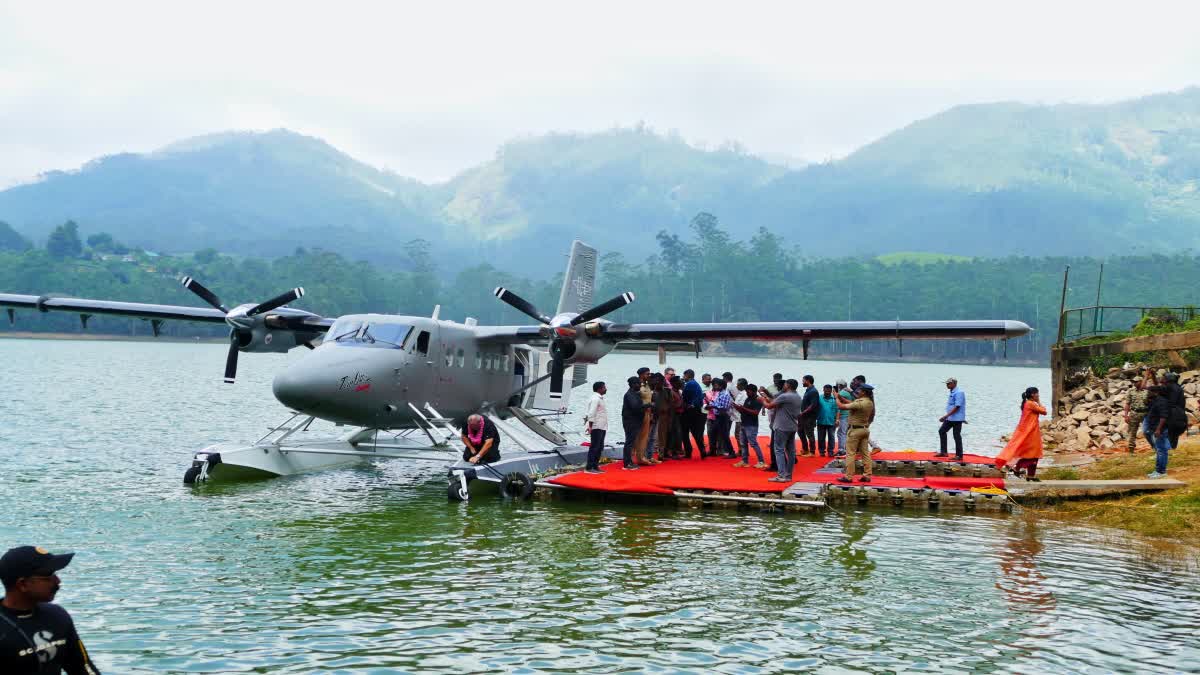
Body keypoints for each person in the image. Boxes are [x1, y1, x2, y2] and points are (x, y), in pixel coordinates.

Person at [1, 545, 101, 674]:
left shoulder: (57, 616)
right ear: (23, 584)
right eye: (48, 576)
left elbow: (83, 668)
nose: (57, 581)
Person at [994, 387, 1047, 480]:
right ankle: (1017, 468)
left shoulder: (1027, 403)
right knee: (1033, 454)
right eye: (1037, 394)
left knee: (1032, 453)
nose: (1038, 395)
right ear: (1032, 395)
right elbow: (1044, 411)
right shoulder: (1031, 404)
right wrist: (1039, 401)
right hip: (1030, 432)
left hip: (1031, 431)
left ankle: (1029, 474)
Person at [759, 379, 804, 482]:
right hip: (792, 426)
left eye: (785, 384)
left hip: (782, 426)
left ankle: (781, 475)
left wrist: (762, 400)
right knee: (791, 451)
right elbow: (776, 402)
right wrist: (767, 397)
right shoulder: (797, 396)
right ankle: (788, 475)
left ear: (787, 385)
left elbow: (769, 406)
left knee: (779, 450)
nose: (783, 385)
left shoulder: (785, 396)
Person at [836, 384, 875, 483]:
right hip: (865, 430)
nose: (858, 392)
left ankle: (848, 476)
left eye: (860, 391)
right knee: (865, 453)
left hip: (855, 431)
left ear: (864, 392)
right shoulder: (869, 402)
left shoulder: (860, 402)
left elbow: (842, 406)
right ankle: (867, 475)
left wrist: (836, 398)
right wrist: (841, 397)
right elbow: (852, 404)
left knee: (850, 453)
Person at [733, 383, 766, 467]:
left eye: (749, 392)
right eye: (747, 391)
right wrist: (737, 407)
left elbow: (755, 412)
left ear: (754, 391)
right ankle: (745, 461)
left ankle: (761, 461)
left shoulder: (758, 400)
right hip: (744, 423)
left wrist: (743, 408)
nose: (747, 393)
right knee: (743, 443)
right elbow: (744, 411)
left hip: (751, 425)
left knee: (753, 443)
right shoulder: (748, 399)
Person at [1146, 386, 1173, 478]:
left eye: (1149, 391)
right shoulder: (1155, 400)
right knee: (1160, 450)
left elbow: (1163, 417)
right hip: (1155, 429)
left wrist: (1158, 429)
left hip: (1159, 430)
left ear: (1155, 392)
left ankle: (1161, 472)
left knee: (1161, 451)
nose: (1147, 393)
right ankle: (1158, 470)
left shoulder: (1161, 402)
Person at [620, 376, 647, 470]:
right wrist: (647, 405)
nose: (640, 385)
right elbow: (635, 407)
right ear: (633, 384)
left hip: (634, 421)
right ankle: (627, 463)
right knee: (629, 442)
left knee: (631, 442)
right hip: (631, 421)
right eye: (638, 384)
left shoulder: (635, 393)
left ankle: (629, 461)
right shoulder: (630, 394)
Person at [938, 377, 966, 459]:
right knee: (942, 431)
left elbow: (957, 406)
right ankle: (944, 452)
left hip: (957, 418)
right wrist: (948, 416)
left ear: (954, 383)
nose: (947, 385)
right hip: (951, 418)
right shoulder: (952, 392)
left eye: (949, 383)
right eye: (947, 383)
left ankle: (959, 455)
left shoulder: (959, 392)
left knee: (956, 435)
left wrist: (945, 416)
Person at [583, 381, 608, 474]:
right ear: (599, 389)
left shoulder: (600, 398)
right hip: (596, 426)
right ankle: (589, 467)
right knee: (594, 447)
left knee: (599, 447)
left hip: (602, 426)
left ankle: (595, 466)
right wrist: (590, 426)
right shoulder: (595, 399)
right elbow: (591, 413)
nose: (606, 389)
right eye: (604, 387)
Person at [680, 369, 706, 459]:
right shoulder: (696, 384)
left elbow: (684, 397)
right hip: (697, 410)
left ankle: (688, 451)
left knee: (685, 432)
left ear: (687, 375)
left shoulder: (689, 384)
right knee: (696, 432)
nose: (683, 378)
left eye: (684, 376)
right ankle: (702, 450)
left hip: (689, 411)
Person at [707, 378, 734, 458]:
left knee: (724, 435)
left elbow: (724, 408)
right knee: (713, 433)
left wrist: (713, 406)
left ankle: (731, 452)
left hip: (722, 417)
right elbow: (716, 402)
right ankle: (712, 451)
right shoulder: (720, 393)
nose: (714, 386)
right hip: (717, 416)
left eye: (716, 385)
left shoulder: (725, 394)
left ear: (721, 386)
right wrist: (710, 404)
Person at [1124, 375, 1150, 454]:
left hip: (1146, 413)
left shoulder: (1147, 391)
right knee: (1132, 432)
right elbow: (1127, 404)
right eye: (1133, 382)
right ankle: (1131, 450)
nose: (1134, 383)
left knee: (1149, 431)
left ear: (1141, 381)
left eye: (1136, 381)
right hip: (1134, 413)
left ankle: (1155, 446)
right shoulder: (1131, 391)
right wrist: (1126, 415)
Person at [797, 375, 819, 456]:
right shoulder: (808, 390)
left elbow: (813, 405)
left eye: (803, 381)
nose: (802, 382)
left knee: (809, 433)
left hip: (810, 416)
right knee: (800, 431)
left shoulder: (813, 391)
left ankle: (812, 451)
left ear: (808, 381)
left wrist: (803, 412)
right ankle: (805, 449)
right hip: (803, 416)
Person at [816, 384, 838, 457]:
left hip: (831, 421)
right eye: (826, 390)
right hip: (821, 421)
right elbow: (815, 408)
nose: (827, 392)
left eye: (829, 390)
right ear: (823, 390)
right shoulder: (819, 398)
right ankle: (822, 451)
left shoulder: (834, 399)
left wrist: (837, 420)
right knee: (821, 437)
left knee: (831, 437)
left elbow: (838, 410)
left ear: (831, 391)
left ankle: (830, 451)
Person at [731, 377, 748, 460]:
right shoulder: (741, 393)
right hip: (738, 417)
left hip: (740, 418)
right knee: (739, 435)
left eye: (739, 385)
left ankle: (742, 451)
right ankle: (743, 450)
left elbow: (741, 406)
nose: (737, 386)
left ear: (743, 385)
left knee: (739, 435)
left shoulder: (744, 394)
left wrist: (733, 404)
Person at [834, 379, 851, 456]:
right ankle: (847, 449)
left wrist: (837, 419)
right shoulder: (849, 392)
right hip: (849, 415)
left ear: (839, 385)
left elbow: (838, 406)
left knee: (841, 433)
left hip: (843, 415)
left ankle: (841, 449)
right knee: (847, 433)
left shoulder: (841, 393)